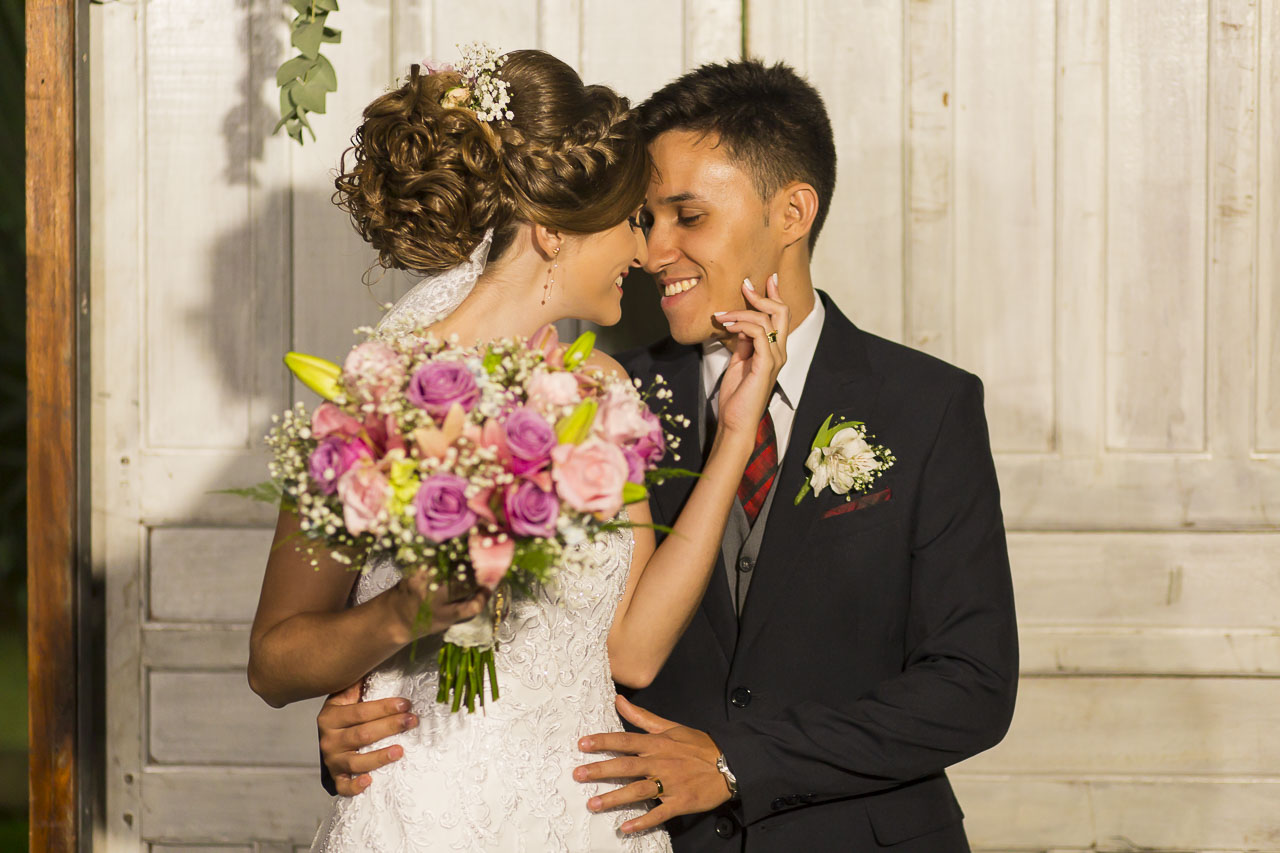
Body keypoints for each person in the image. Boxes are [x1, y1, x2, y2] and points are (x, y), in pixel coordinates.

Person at [317, 58, 1019, 852]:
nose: (655, 252)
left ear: (791, 211)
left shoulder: (927, 405)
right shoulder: (592, 395)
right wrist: (373, 732)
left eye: (688, 216)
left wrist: (737, 762)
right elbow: (540, 646)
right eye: (644, 219)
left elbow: (973, 687)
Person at [247, 50, 790, 853]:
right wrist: (405, 611)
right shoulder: (381, 391)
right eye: (631, 221)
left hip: (582, 814)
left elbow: (631, 652)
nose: (644, 254)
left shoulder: (600, 390)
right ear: (551, 231)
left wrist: (736, 433)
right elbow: (274, 660)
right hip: (424, 815)